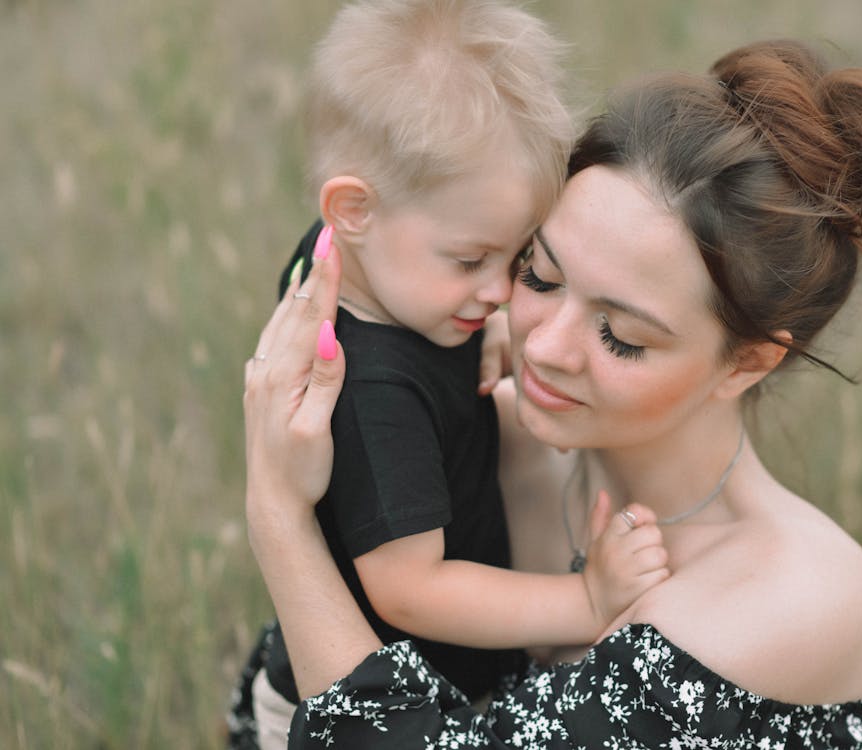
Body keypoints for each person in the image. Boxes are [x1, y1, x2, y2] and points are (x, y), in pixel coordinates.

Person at [242, 39, 862, 748]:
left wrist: (279, 515)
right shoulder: (494, 432)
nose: (540, 345)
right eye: (539, 275)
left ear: (748, 362)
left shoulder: (801, 597)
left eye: (621, 336)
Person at [228, 2, 670, 748]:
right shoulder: (373, 392)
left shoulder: (355, 263)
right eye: (471, 260)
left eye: (516, 257)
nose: (500, 292)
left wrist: (469, 308)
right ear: (355, 209)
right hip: (372, 705)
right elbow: (410, 589)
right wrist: (585, 600)